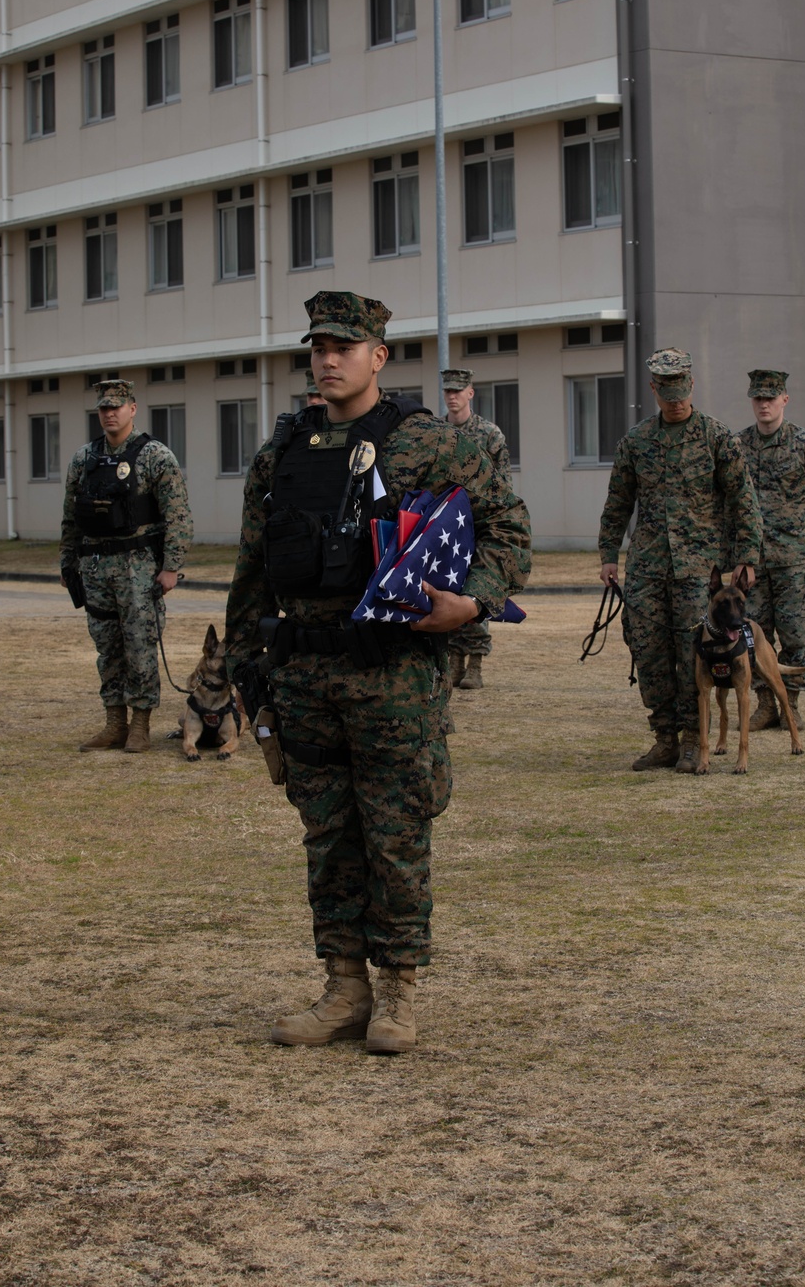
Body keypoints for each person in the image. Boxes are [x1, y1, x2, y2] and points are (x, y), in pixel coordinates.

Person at [224, 293, 530, 1053]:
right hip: (303, 674)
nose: (328, 360)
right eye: (319, 346)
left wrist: (474, 602)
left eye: (344, 347)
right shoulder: (284, 449)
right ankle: (343, 988)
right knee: (328, 836)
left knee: (395, 832)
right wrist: (242, 670)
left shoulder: (427, 442)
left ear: (378, 356)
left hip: (393, 673)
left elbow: (507, 531)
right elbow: (253, 567)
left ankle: (398, 993)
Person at [598, 347, 763, 774]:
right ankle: (664, 739)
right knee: (648, 652)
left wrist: (747, 556)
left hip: (698, 570)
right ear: (654, 389)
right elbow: (618, 502)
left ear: (692, 386)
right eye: (667, 392)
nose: (676, 400)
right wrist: (607, 554)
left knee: (695, 655)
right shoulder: (636, 441)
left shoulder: (716, 437)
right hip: (648, 567)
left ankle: (695, 740)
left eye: (682, 391)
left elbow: (743, 498)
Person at [60, 379, 193, 753]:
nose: (110, 413)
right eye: (104, 408)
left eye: (117, 407)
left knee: (140, 646)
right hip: (95, 566)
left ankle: (140, 725)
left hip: (138, 568)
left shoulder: (155, 456)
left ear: (132, 409)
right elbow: (71, 516)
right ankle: (114, 723)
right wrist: (67, 560)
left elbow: (179, 516)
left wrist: (171, 567)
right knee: (107, 648)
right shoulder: (84, 459)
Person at [735, 369, 805, 730]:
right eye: (757, 398)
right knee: (754, 634)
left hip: (794, 559)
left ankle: (790, 702)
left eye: (770, 397)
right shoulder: (736, 447)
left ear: (784, 400)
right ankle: (765, 704)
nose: (763, 404)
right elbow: (724, 500)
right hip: (752, 564)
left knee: (796, 633)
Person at [441, 367, 515, 689]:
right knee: (447, 592)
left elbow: (504, 486)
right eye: (448, 391)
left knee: (476, 593)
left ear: (471, 393)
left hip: (478, 525)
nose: (453, 397)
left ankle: (476, 665)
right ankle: (454, 661)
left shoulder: (489, 434)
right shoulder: (437, 431)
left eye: (459, 391)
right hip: (445, 526)